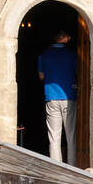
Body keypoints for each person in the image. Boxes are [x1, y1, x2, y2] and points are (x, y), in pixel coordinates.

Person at [38, 28, 78, 164]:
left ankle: (56, 166)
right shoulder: (72, 54)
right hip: (69, 96)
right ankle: (73, 165)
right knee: (71, 134)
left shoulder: (44, 54)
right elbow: (79, 72)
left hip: (51, 96)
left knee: (54, 136)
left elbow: (41, 76)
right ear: (65, 37)